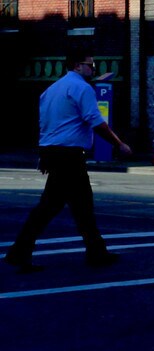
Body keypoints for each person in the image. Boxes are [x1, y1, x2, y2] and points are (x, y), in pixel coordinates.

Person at [7, 51, 130, 273]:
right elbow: (95, 121)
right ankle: (20, 252)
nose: (93, 69)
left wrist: (44, 152)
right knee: (64, 206)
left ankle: (95, 251)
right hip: (69, 155)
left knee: (72, 206)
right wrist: (118, 143)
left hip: (53, 152)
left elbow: (45, 124)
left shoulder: (50, 90)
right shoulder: (82, 88)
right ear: (77, 66)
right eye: (90, 65)